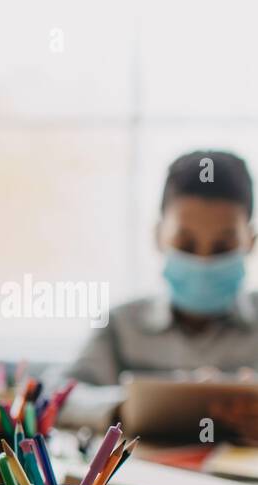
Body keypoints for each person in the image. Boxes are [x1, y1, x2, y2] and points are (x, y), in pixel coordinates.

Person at [65, 149, 258, 435]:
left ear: (250, 242)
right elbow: (59, 397)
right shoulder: (121, 324)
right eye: (185, 244)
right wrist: (126, 408)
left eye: (222, 248)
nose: (203, 262)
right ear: (159, 237)